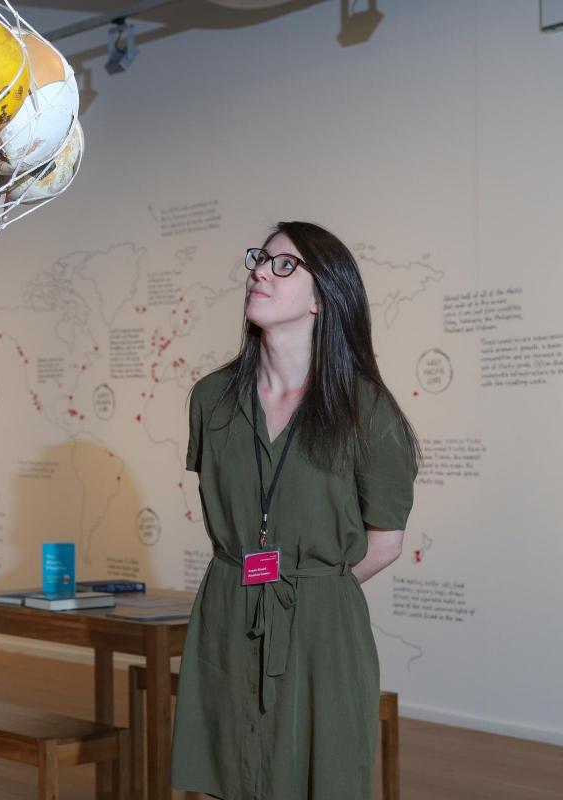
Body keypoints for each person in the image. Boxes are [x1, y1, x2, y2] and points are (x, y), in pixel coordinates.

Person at [170, 221, 420, 799]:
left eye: (284, 265)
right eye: (260, 259)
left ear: (320, 299)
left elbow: (385, 543)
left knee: (320, 779)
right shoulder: (212, 399)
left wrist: (307, 587)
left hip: (321, 629)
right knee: (230, 775)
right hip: (227, 612)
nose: (261, 272)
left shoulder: (367, 410)